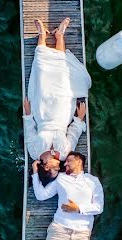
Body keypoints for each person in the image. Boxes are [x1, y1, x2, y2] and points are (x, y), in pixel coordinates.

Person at [23, 18, 91, 163]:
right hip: (62, 114)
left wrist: (28, 114)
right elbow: (73, 134)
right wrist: (79, 119)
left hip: (42, 112)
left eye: (53, 167)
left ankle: (42, 36)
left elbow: (29, 132)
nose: (58, 163)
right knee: (62, 76)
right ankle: (59, 36)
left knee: (42, 72)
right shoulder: (65, 154)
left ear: (45, 167)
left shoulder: (34, 152)